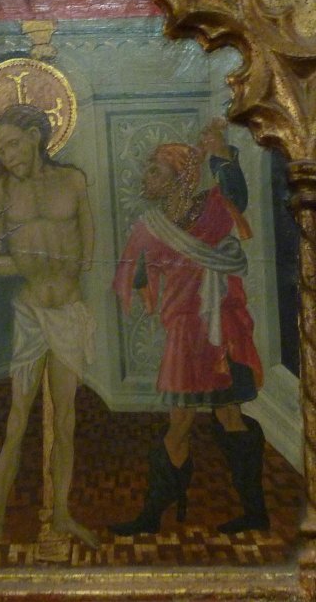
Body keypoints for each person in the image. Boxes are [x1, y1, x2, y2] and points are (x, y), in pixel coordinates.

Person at [109, 118, 268, 536]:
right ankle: (155, 511)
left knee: (228, 416)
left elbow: (237, 197)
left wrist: (220, 154)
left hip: (220, 331)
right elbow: (135, 271)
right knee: (180, 423)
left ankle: (254, 511)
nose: (145, 178)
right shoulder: (151, 224)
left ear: (179, 177)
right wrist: (143, 279)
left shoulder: (211, 207)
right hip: (184, 334)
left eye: (155, 171)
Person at [0, 104, 99, 566]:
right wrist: (28, 262)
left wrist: (71, 267)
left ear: (36, 136)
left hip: (68, 311)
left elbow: (89, 247)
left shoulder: (73, 181)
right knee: (17, 420)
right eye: (0, 150)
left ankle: (62, 513)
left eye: (14, 144)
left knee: (66, 420)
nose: (8, 155)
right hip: (32, 312)